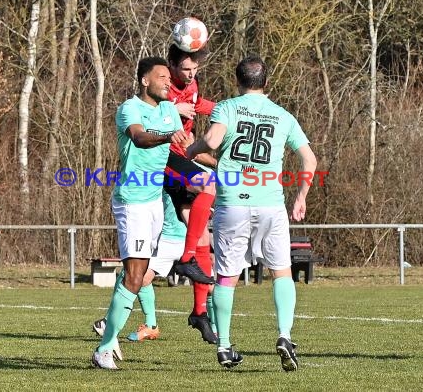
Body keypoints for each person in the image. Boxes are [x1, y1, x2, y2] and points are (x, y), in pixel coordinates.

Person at [186, 55, 317, 371]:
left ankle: (225, 345)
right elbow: (309, 160)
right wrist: (301, 196)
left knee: (227, 277)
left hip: (233, 204)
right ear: (266, 83)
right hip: (270, 204)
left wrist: (191, 149)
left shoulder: (228, 107)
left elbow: (214, 140)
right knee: (281, 272)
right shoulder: (282, 115)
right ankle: (284, 335)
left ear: (237, 81)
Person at [91, 56, 187, 370]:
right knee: (134, 276)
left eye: (169, 78)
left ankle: (110, 328)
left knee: (137, 276)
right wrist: (166, 136)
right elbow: (139, 137)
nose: (167, 82)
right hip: (131, 201)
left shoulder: (170, 110)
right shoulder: (129, 108)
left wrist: (214, 168)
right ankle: (104, 348)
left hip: (154, 203)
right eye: (161, 77)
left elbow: (180, 154)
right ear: (145, 80)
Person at [93, 190, 218, 350]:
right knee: (138, 276)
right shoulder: (161, 178)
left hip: (182, 240)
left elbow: (208, 204)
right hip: (168, 239)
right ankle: (149, 325)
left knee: (208, 285)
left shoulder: (189, 177)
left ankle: (214, 327)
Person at [163, 43, 220, 343]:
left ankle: (199, 312)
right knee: (208, 183)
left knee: (204, 239)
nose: (190, 74)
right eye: (185, 69)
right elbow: (141, 113)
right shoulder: (160, 80)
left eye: (195, 69)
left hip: (182, 159)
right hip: (162, 159)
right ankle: (185, 258)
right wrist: (172, 110)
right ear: (171, 65)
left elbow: (199, 105)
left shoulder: (193, 84)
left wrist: (226, 109)